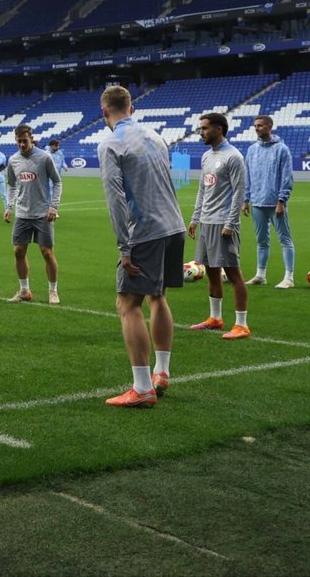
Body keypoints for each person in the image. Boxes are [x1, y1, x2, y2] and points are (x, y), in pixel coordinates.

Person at [96, 84, 187, 408]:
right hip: (174, 225)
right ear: (131, 108)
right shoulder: (156, 137)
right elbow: (173, 179)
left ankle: (142, 387)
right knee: (157, 296)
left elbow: (116, 199)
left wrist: (124, 247)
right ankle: (161, 372)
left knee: (127, 304)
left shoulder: (109, 144)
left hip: (145, 231)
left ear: (105, 112)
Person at [188, 113, 250, 338]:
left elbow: (238, 192)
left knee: (233, 274)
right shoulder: (206, 157)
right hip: (206, 221)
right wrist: (196, 218)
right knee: (211, 272)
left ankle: (241, 325)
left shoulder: (234, 157)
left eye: (204, 128)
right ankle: (215, 318)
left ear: (219, 129)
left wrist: (231, 222)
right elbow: (203, 190)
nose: (201, 132)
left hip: (223, 223)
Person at [3, 124, 62, 305]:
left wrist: (54, 206)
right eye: (19, 141)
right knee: (18, 251)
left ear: (32, 138)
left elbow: (57, 182)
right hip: (22, 213)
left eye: (25, 141)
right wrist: (9, 206)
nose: (22, 145)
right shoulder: (13, 160)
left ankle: (53, 291)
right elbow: (11, 185)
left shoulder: (44, 157)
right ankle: (24, 290)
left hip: (42, 213)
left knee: (47, 253)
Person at [243, 114, 296, 288]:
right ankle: (260, 275)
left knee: (285, 239)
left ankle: (289, 277)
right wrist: (246, 199)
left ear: (269, 127)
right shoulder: (252, 150)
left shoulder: (281, 149)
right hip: (257, 202)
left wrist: (282, 200)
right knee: (261, 241)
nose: (256, 128)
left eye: (260, 125)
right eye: (255, 126)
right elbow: (248, 176)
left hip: (275, 203)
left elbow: (286, 177)